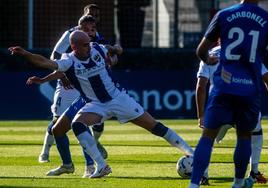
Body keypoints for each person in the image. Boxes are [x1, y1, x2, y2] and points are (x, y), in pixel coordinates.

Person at [9, 30, 194, 178]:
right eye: (84, 45)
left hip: (119, 98)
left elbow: (110, 48)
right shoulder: (68, 61)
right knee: (77, 125)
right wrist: (25, 54)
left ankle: (191, 153)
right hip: (95, 104)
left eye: (88, 44)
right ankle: (101, 166)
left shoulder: (97, 48)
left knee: (154, 126)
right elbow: (44, 62)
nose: (88, 48)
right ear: (73, 47)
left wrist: (116, 49)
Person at [190, 0, 268, 188]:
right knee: (245, 136)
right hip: (249, 90)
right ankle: (239, 183)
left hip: (224, 89)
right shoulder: (265, 19)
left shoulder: (224, 15)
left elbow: (200, 50)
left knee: (208, 136)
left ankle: (194, 184)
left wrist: (208, 59)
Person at [29, 15, 113, 178]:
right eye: (86, 29)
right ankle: (58, 159)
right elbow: (55, 56)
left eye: (92, 29)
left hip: (85, 90)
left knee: (83, 124)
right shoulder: (69, 37)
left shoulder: (96, 41)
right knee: (57, 124)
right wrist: (62, 76)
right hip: (66, 86)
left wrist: (114, 53)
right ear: (79, 27)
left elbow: (107, 59)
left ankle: (90, 165)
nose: (90, 32)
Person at [196, 45, 268, 184]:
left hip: (219, 105)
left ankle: (202, 175)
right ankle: (253, 172)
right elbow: (266, 78)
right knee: (255, 132)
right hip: (244, 105)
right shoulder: (248, 53)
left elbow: (201, 86)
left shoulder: (209, 55)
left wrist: (201, 115)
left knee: (208, 139)